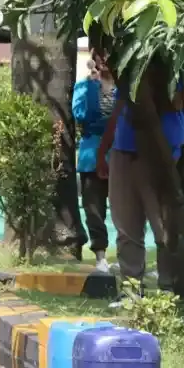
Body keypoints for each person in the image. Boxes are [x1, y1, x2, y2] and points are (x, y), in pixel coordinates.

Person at [96, 59, 184, 295]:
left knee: (164, 228)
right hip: (123, 149)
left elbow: (177, 102)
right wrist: (103, 148)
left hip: (161, 151)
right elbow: (119, 106)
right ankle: (130, 291)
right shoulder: (126, 60)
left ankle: (168, 290)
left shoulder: (172, 57)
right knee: (126, 226)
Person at [72, 53, 116, 273]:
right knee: (94, 209)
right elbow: (80, 115)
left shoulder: (124, 87)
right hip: (92, 155)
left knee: (127, 209)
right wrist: (91, 84)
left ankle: (130, 256)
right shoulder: (85, 86)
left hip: (121, 154)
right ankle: (100, 256)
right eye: (100, 57)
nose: (105, 60)